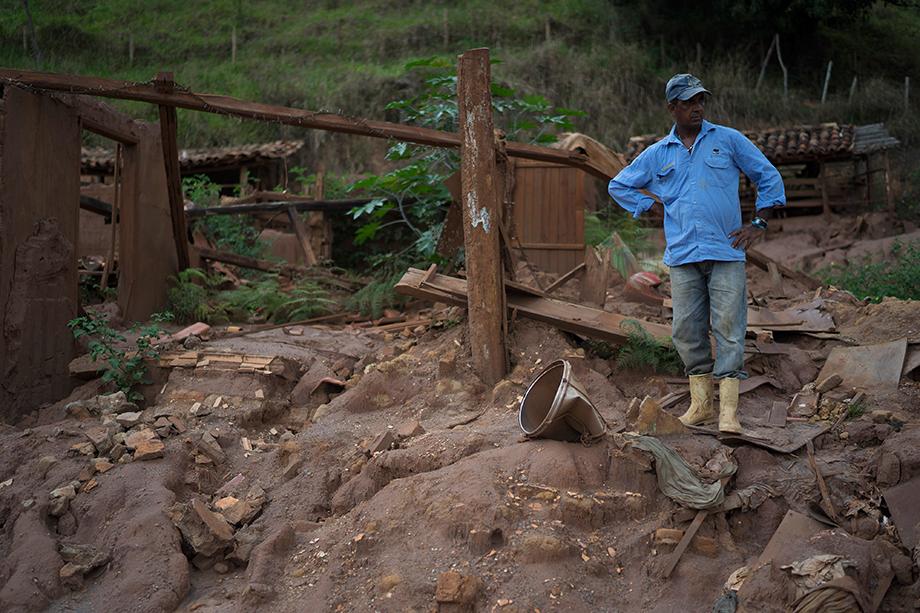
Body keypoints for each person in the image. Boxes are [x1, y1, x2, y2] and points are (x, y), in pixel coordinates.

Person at [607, 73, 785, 433]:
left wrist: (759, 224)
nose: (697, 107)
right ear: (672, 108)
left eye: (701, 100)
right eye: (688, 102)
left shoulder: (728, 140)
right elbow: (619, 184)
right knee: (687, 330)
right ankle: (702, 407)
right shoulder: (658, 154)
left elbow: (768, 176)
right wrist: (647, 207)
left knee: (729, 328)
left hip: (726, 250)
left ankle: (728, 414)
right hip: (684, 254)